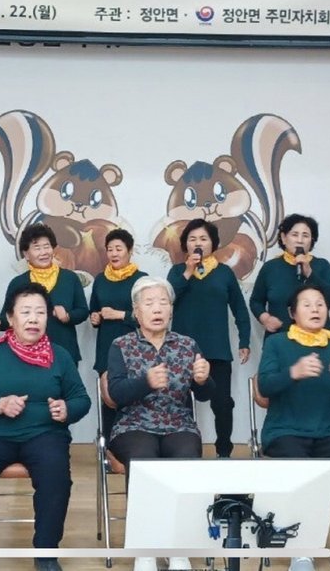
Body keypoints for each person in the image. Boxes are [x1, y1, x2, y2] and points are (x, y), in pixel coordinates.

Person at [0, 283, 90, 571]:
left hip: (45, 434)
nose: (33, 319)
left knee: (56, 475)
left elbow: (81, 399)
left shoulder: (60, 355)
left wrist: (67, 409)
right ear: (10, 318)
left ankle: (46, 554)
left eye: (40, 312)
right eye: (25, 312)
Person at [107, 276, 214, 571]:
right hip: (133, 424)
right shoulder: (121, 345)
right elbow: (116, 394)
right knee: (144, 463)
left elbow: (206, 394)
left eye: (163, 303)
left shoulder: (187, 345)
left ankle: (177, 546)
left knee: (186, 459)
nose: (157, 309)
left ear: (171, 310)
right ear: (136, 311)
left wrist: (204, 379)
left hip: (178, 423)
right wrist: (145, 382)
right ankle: (146, 547)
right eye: (149, 303)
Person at [258, 284, 330, 571]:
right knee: (301, 473)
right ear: (292, 313)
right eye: (306, 304)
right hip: (285, 430)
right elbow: (265, 386)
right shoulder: (277, 343)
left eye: (320, 304)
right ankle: (301, 548)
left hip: (329, 431)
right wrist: (293, 373)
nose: (315, 309)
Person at [167, 218, 251, 458]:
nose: (198, 243)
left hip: (217, 350)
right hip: (182, 352)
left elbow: (239, 309)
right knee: (181, 404)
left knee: (222, 403)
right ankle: (185, 452)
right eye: (192, 239)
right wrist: (188, 271)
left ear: (213, 243)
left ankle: (224, 451)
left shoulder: (224, 273)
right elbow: (168, 298)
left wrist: (244, 341)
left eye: (203, 239)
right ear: (185, 244)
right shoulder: (177, 271)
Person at [0, 223, 88, 365]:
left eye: (47, 246)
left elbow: (83, 311)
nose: (43, 252)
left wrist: (67, 316)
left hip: (64, 352)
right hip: (27, 354)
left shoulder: (70, 278)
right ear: (26, 254)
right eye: (37, 248)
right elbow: (8, 317)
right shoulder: (18, 283)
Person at [89, 228, 148, 443]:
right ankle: (110, 449)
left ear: (130, 251)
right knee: (109, 399)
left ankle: (137, 445)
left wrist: (119, 314)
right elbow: (94, 310)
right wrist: (95, 317)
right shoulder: (100, 279)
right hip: (107, 347)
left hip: (136, 348)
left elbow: (148, 317)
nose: (114, 253)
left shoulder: (142, 280)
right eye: (110, 249)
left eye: (119, 249)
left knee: (135, 399)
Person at [250, 213, 330, 336]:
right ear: (283, 238)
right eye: (294, 234)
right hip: (281, 338)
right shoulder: (270, 267)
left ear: (312, 240)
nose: (300, 240)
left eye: (305, 235)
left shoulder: (322, 265)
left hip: (318, 339)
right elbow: (256, 301)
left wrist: (310, 273)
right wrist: (265, 318)